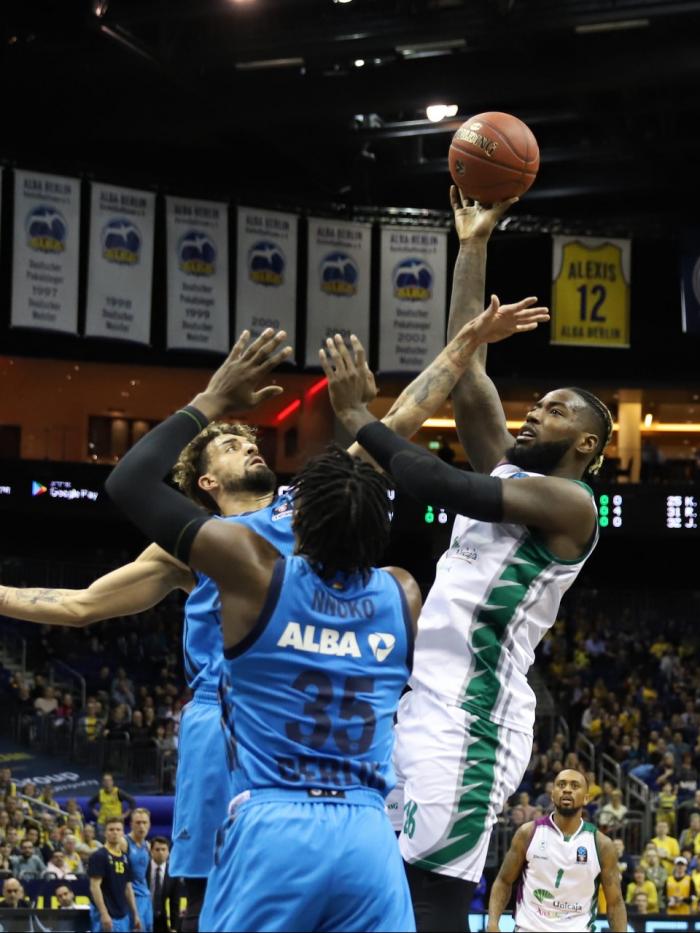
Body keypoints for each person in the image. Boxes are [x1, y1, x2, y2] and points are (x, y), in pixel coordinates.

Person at [0, 313, 539, 930]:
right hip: (223, 718)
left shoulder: (312, 503)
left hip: (305, 746)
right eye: (229, 446)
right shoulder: (201, 544)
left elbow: (400, 422)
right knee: (210, 878)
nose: (249, 444)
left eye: (247, 439)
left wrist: (465, 343)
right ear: (205, 481)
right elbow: (81, 604)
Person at [322, 201, 607, 928]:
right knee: (382, 882)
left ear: (587, 446)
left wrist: (360, 420)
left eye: (555, 410)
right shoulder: (513, 475)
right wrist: (472, 243)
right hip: (423, 702)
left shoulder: (573, 505)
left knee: (434, 894)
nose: (534, 412)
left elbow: (440, 484)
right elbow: (466, 360)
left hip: (475, 720)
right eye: (536, 404)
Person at [486, 769, 625, 931]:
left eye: (574, 786)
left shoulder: (602, 845)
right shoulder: (528, 833)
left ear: (587, 798)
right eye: (561, 784)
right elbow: (503, 881)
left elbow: (615, 902)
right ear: (552, 795)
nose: (567, 789)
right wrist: (493, 923)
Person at [88, 817, 141, 933]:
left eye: (118, 829)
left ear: (122, 832)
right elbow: (94, 887)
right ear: (105, 833)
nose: (115, 832)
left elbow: (128, 888)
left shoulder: (125, 857)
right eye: (111, 829)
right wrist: (104, 913)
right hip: (105, 914)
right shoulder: (99, 856)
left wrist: (135, 914)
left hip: (122, 913)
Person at [123, 808, 153, 932]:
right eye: (138, 822)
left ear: (149, 824)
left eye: (145, 822)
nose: (141, 826)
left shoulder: (148, 845)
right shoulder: (124, 842)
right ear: (131, 825)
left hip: (145, 896)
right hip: (131, 896)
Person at [149, 836, 182, 933]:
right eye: (157, 849)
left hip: (162, 918)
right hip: (144, 915)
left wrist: (174, 927)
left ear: (168, 852)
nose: (160, 852)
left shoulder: (173, 873)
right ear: (151, 851)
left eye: (163, 849)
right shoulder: (144, 869)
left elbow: (175, 902)